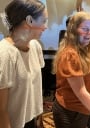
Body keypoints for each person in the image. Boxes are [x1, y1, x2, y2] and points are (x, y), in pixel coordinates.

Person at [0, 0, 48, 128]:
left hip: (33, 119)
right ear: (29, 21)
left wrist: (39, 116)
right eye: (43, 21)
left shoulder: (35, 46)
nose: (45, 26)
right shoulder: (5, 54)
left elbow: (35, 87)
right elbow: (1, 109)